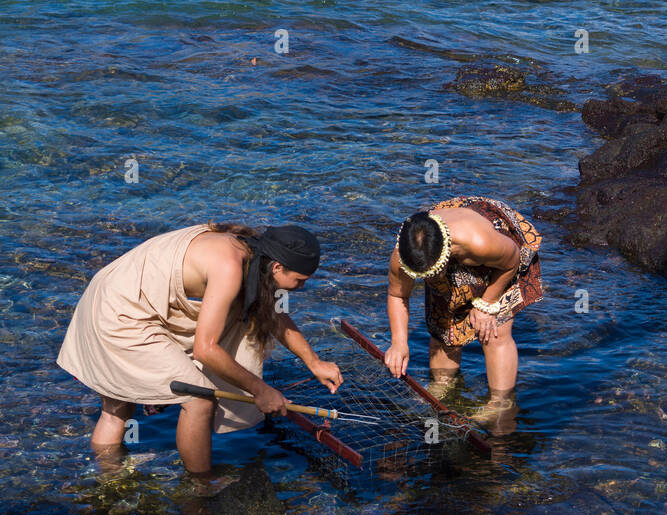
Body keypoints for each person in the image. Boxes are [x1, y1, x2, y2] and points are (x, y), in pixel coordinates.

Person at [57, 221, 342, 474]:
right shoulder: (230, 267)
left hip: (110, 291)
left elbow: (271, 312)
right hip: (119, 314)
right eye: (299, 281)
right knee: (198, 400)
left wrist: (313, 361)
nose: (300, 289)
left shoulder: (251, 250)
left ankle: (108, 478)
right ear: (278, 267)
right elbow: (205, 349)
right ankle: (200, 490)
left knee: (117, 408)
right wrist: (260, 389)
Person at [384, 196, 542, 402]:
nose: (429, 280)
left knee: (493, 331)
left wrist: (487, 303)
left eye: (433, 273)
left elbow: (511, 261)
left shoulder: (479, 243)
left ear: (445, 256)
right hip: (439, 249)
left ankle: (500, 404)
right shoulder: (403, 256)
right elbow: (397, 294)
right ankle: (443, 390)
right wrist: (399, 343)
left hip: (502, 256)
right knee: (443, 330)